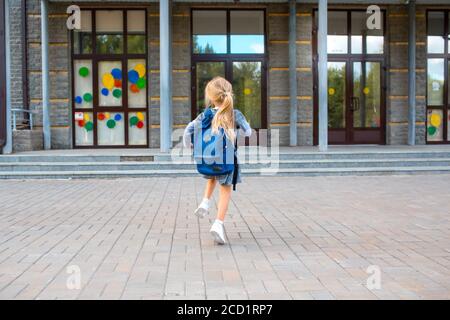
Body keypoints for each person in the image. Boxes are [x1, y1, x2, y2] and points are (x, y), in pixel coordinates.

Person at [183, 77, 252, 245]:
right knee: (225, 190)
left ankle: (205, 202)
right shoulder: (234, 114)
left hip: (207, 159)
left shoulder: (204, 115)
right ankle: (218, 224)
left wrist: (190, 146)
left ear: (211, 97)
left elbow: (187, 131)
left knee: (213, 176)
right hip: (227, 160)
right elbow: (249, 132)